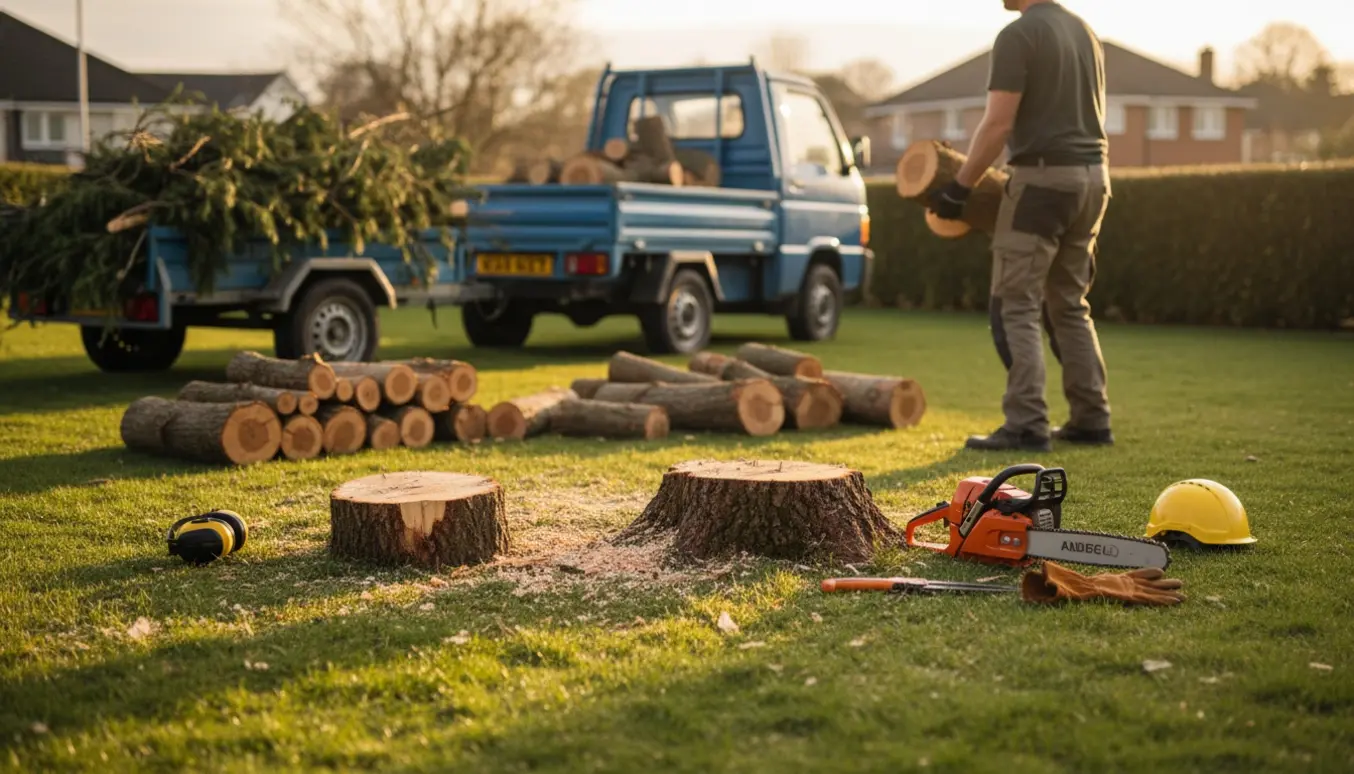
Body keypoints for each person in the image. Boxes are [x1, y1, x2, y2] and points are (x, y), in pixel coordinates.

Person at [930, 0, 1115, 452]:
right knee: (1069, 305)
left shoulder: (1018, 35)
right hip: (1094, 179)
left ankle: (1026, 424)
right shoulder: (1084, 32)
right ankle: (1092, 419)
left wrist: (959, 187)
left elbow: (997, 124)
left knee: (1015, 303)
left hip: (1042, 183)